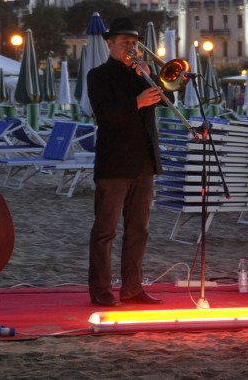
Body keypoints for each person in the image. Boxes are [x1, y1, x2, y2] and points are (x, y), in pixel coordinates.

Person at [86, 17, 164, 307]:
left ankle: (133, 287)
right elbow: (104, 113)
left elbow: (168, 97)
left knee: (139, 229)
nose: (131, 48)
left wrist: (150, 77)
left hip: (144, 162)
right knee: (105, 230)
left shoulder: (143, 73)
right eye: (124, 43)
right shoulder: (98, 75)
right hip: (115, 163)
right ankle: (101, 289)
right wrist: (136, 102)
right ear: (110, 44)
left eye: (134, 43)